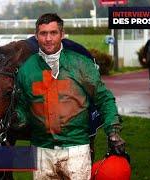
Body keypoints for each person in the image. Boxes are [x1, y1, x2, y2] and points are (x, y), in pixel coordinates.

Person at [14, 13, 125, 179]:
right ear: (36, 36)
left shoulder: (81, 64)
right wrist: (18, 118)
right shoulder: (25, 70)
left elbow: (104, 98)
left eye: (53, 33)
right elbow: (22, 106)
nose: (48, 38)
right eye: (43, 33)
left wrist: (112, 131)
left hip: (76, 149)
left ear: (62, 34)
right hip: (42, 150)